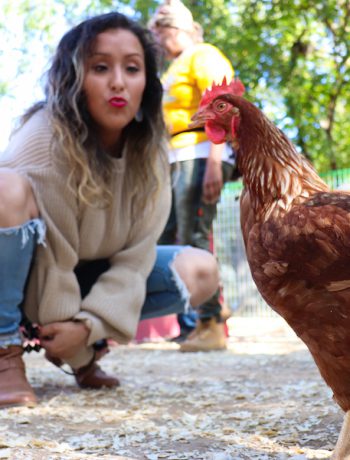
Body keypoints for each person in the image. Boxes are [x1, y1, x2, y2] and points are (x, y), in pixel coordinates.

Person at [0, 11, 220, 408]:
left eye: (132, 68)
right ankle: (4, 351)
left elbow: (135, 263)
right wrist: (79, 355)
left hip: (82, 276)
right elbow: (54, 261)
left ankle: (86, 347)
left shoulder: (151, 152)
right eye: (100, 67)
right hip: (25, 274)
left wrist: (85, 332)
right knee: (4, 188)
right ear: (74, 79)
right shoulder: (45, 139)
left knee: (201, 270)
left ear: (146, 83)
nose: (118, 81)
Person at [149, 0, 234, 352]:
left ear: (175, 29)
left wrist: (216, 160)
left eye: (159, 35)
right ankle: (204, 317)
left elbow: (224, 102)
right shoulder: (172, 68)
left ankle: (212, 323)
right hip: (174, 159)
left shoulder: (204, 54)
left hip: (201, 154)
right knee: (170, 238)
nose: (157, 43)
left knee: (193, 234)